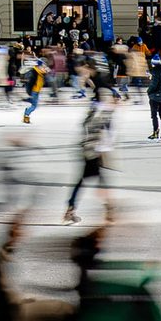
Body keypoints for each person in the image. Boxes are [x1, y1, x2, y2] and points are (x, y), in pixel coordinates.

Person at [64, 92, 117, 225]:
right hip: (93, 153)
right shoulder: (101, 113)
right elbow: (105, 126)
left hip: (86, 152)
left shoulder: (92, 112)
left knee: (83, 182)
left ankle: (70, 210)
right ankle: (109, 211)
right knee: (100, 182)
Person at [145, 56, 161, 140]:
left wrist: (148, 91)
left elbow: (154, 84)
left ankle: (155, 132)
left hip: (155, 96)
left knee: (154, 115)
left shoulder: (155, 71)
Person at [21, 57, 45, 124]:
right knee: (34, 106)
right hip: (34, 90)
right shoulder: (34, 71)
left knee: (34, 104)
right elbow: (31, 82)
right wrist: (29, 91)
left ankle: (28, 101)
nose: (43, 66)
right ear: (40, 65)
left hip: (36, 90)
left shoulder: (39, 71)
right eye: (42, 65)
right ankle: (26, 116)